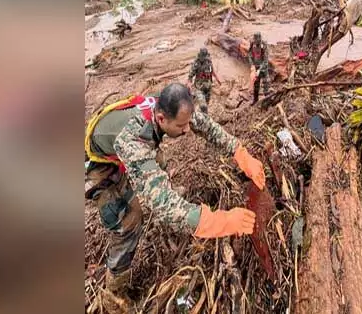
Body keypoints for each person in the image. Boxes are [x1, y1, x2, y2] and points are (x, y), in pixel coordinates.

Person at [84, 83, 266, 302]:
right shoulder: (133, 140)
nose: (187, 129)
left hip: (124, 147)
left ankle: (158, 189)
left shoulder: (168, 107)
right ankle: (114, 292)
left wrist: (240, 153)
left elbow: (204, 125)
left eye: (187, 123)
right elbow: (165, 209)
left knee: (158, 162)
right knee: (129, 220)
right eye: (182, 125)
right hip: (98, 165)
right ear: (161, 119)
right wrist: (221, 221)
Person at [186, 47, 221, 114]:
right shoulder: (196, 63)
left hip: (208, 86)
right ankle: (205, 118)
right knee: (203, 106)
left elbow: (212, 70)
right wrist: (189, 83)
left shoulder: (208, 60)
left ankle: (204, 115)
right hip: (199, 87)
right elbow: (190, 75)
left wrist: (217, 78)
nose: (204, 58)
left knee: (206, 104)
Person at [247, 32, 269, 104]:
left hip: (263, 68)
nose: (256, 42)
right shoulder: (252, 44)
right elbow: (249, 55)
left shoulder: (264, 45)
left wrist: (260, 69)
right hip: (255, 67)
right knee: (256, 85)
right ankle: (255, 100)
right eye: (255, 40)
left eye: (258, 41)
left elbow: (265, 60)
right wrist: (252, 65)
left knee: (266, 84)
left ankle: (267, 101)